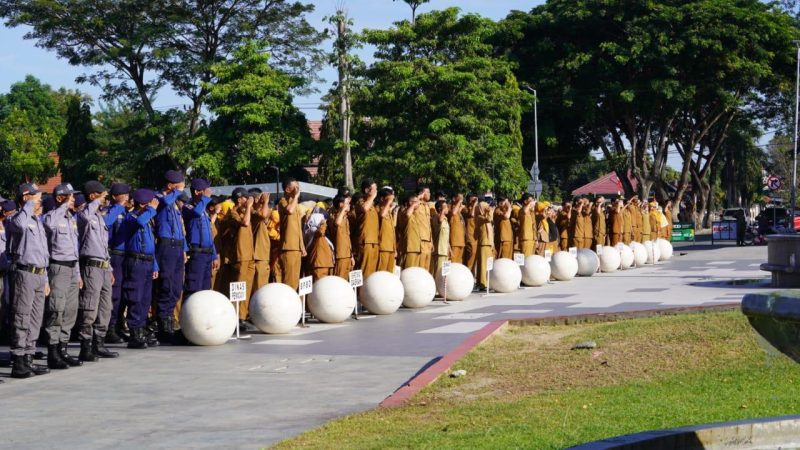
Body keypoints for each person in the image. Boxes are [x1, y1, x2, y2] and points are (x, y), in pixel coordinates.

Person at [8, 183, 51, 378]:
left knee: (35, 319)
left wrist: (46, 278)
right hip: (25, 273)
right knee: (22, 316)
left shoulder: (37, 221)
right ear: (25, 198)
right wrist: (28, 203)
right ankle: (18, 360)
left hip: (39, 274)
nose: (39, 201)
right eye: (35, 197)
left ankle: (29, 357)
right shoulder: (17, 218)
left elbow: (43, 253)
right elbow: (19, 225)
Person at [76, 180, 119, 361]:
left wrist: (109, 267)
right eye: (102, 194)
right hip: (91, 266)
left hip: (103, 266)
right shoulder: (83, 213)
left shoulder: (100, 217)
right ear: (92, 195)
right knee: (90, 306)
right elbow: (85, 217)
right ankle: (85, 345)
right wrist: (95, 202)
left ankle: (99, 343)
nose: (105, 197)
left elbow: (103, 245)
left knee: (105, 307)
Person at [43, 183, 84, 367]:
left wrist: (78, 273)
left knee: (70, 310)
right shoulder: (52, 216)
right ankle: (52, 352)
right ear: (60, 198)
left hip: (72, 268)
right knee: (56, 309)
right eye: (70, 196)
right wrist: (62, 207)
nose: (73, 199)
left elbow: (74, 249)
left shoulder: (71, 218)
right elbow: (49, 225)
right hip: (58, 268)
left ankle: (63, 348)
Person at [119, 189, 160, 349]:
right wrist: (151, 209)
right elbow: (140, 221)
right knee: (135, 297)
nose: (153, 205)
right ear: (143, 204)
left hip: (147, 261)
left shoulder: (148, 218)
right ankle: (135, 332)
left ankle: (141, 329)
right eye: (149, 202)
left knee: (145, 299)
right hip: (135, 261)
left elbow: (150, 244)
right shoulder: (132, 216)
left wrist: (154, 264)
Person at [153, 170, 188, 343]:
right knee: (165, 285)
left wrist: (184, 249)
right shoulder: (159, 197)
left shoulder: (174, 202)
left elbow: (180, 227)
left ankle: (170, 319)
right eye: (179, 184)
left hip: (177, 246)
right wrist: (177, 191)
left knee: (176, 287)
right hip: (166, 246)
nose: (182, 188)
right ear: (170, 185)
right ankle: (163, 325)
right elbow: (164, 201)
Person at [182, 178, 219, 299]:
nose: (208, 192)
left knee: (205, 288)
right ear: (197, 192)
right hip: (197, 253)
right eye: (205, 190)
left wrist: (214, 255)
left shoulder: (204, 210)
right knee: (194, 287)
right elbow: (196, 212)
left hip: (207, 253)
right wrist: (206, 198)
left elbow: (208, 234)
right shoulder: (188, 207)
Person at [105, 183, 131, 343]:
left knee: (124, 295)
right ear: (115, 197)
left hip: (127, 256)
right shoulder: (110, 211)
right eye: (124, 194)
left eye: (127, 194)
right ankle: (109, 328)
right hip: (114, 256)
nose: (127, 197)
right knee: (114, 294)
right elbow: (106, 223)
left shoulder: (127, 212)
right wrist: (119, 206)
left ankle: (119, 325)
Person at [227, 188, 255, 321]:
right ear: (239, 199)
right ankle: (235, 316)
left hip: (250, 254)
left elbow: (262, 215)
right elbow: (245, 223)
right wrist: (248, 207)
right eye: (245, 198)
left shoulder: (245, 211)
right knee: (239, 286)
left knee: (247, 286)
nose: (248, 200)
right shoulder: (232, 213)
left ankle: (242, 316)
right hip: (240, 254)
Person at [276, 178, 305, 290]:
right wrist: (296, 196)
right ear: (288, 189)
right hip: (288, 247)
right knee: (289, 280)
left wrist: (302, 245)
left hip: (296, 247)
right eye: (295, 187)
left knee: (295, 280)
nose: (298, 189)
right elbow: (289, 210)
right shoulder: (283, 201)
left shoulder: (295, 204)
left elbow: (298, 227)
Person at [354, 179, 379, 278]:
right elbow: (364, 208)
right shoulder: (360, 202)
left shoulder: (372, 205)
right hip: (365, 242)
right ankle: (361, 288)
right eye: (374, 189)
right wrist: (372, 197)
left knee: (372, 273)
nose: (376, 191)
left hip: (374, 242)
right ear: (366, 190)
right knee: (364, 271)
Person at [329, 194, 353, 280]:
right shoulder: (333, 217)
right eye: (347, 203)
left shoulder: (346, 218)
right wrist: (343, 210)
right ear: (341, 204)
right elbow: (337, 223)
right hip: (340, 255)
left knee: (346, 280)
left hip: (347, 254)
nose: (349, 205)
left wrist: (351, 256)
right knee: (339, 279)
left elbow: (348, 238)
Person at [251, 192, 272, 291]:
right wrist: (265, 202)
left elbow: (266, 215)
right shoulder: (251, 212)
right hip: (256, 254)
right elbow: (263, 215)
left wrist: (264, 203)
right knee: (257, 286)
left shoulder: (264, 210)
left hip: (262, 253)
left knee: (262, 284)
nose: (262, 200)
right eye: (259, 198)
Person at [474, 201, 495, 289]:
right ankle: (483, 283)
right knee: (483, 264)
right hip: (484, 243)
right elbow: (489, 219)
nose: (487, 208)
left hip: (489, 243)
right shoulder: (479, 217)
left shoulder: (485, 216)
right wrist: (490, 211)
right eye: (485, 207)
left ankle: (487, 281)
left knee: (488, 263)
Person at [377, 187, 397, 273]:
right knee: (382, 272)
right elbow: (382, 215)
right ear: (382, 198)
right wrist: (388, 202)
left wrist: (395, 248)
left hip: (391, 247)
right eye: (389, 198)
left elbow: (392, 231)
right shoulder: (378, 208)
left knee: (390, 273)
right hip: (383, 247)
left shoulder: (388, 212)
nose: (391, 200)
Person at [414, 186, 433, 271]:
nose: (429, 194)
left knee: (427, 267)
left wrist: (431, 241)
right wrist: (418, 197)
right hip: (421, 240)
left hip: (428, 240)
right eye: (427, 192)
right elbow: (411, 207)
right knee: (420, 266)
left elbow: (428, 225)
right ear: (421, 193)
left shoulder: (427, 207)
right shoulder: (417, 204)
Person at [401, 195, 423, 269]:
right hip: (409, 247)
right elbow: (407, 215)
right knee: (408, 269)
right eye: (416, 202)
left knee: (414, 270)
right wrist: (413, 205)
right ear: (410, 202)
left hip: (417, 247)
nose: (418, 204)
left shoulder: (415, 214)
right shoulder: (404, 211)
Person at [432, 200, 450, 274]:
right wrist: (442, 210)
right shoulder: (436, 217)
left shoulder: (445, 220)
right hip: (439, 250)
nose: (447, 208)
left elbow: (446, 236)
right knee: (438, 271)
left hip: (445, 250)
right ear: (440, 208)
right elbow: (440, 220)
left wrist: (449, 248)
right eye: (445, 207)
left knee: (445, 272)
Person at [463, 194, 479, 271]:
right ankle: (468, 271)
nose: (473, 201)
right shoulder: (465, 209)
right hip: (469, 235)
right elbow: (471, 215)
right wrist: (474, 204)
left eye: (475, 200)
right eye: (472, 200)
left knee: (475, 256)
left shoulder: (476, 209)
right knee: (471, 254)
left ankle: (472, 272)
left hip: (476, 235)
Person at [448, 193, 466, 264]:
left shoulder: (459, 212)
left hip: (461, 241)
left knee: (459, 263)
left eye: (462, 198)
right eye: (459, 198)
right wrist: (459, 202)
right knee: (453, 262)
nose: (461, 200)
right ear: (454, 199)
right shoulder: (450, 207)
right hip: (454, 241)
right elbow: (453, 212)